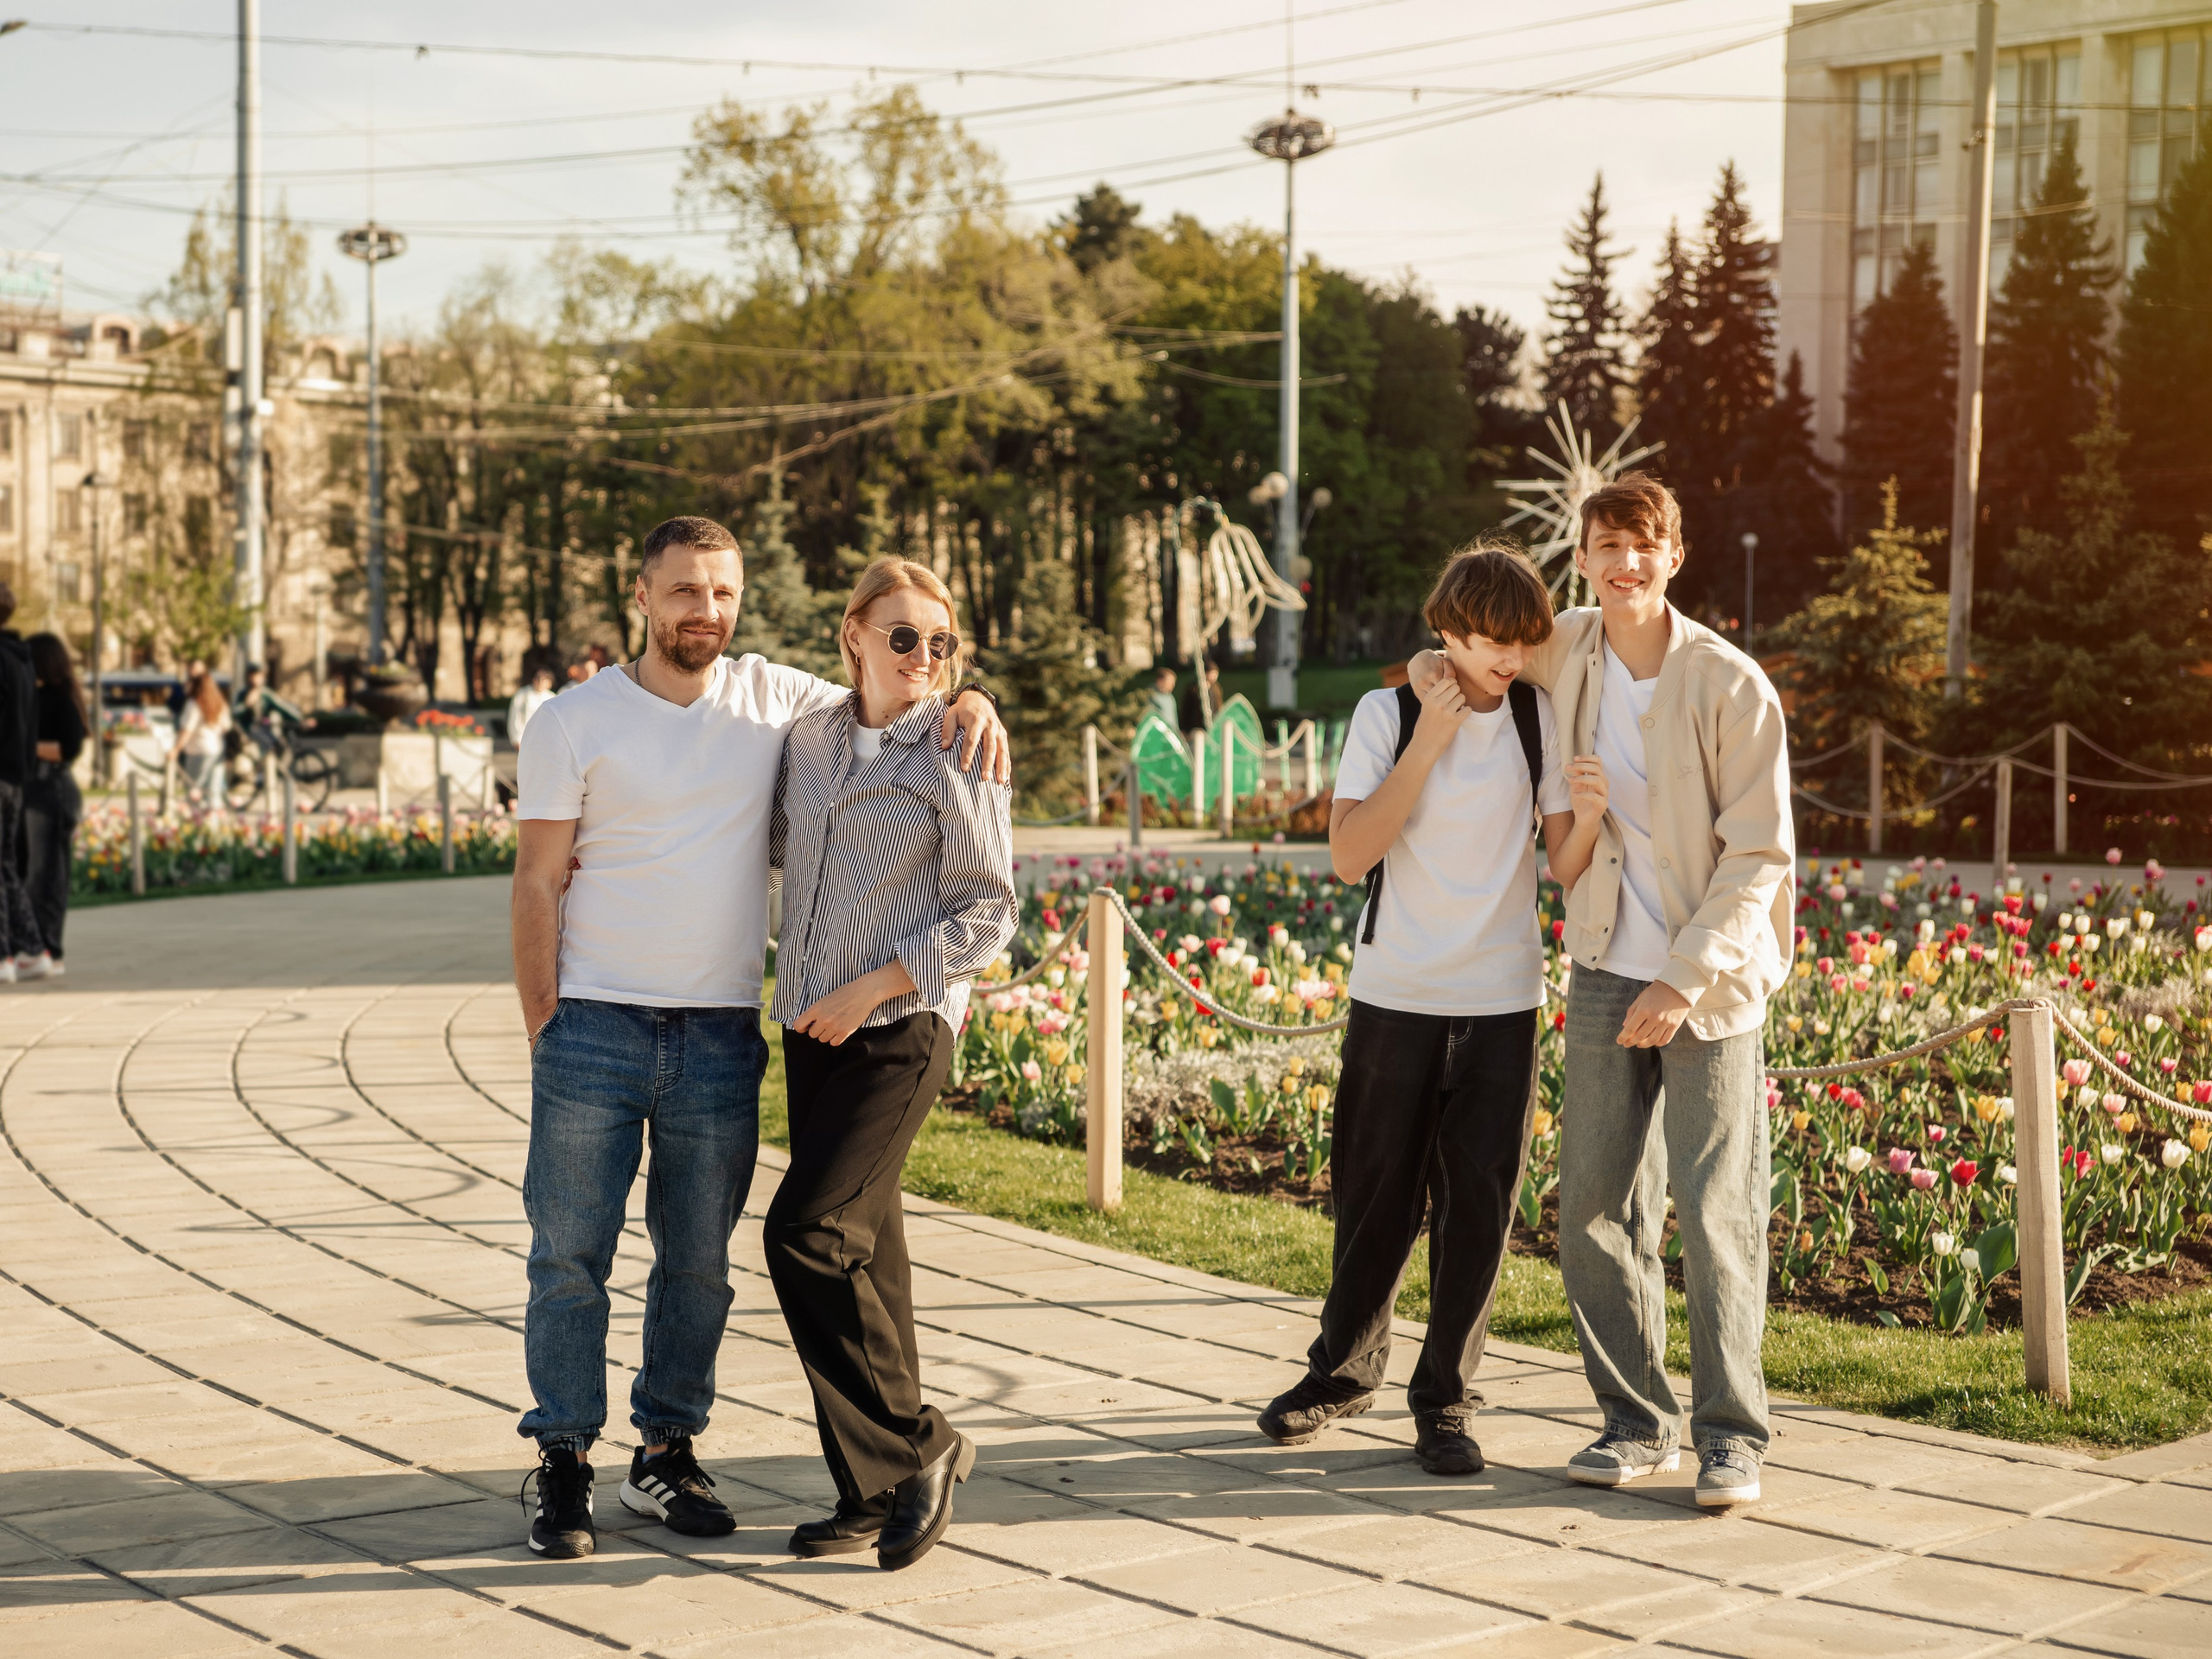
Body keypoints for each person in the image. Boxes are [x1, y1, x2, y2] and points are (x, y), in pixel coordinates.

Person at [509, 516, 1008, 1561]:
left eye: (723, 593)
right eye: (685, 591)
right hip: (606, 1026)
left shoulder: (783, 702)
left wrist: (969, 695)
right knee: (572, 1260)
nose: (707, 611)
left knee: (711, 1263)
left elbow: (913, 728)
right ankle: (564, 1463)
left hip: (737, 1031)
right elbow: (538, 877)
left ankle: (673, 1454)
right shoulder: (584, 719)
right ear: (641, 595)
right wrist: (545, 1024)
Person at [1408, 473, 1793, 1507]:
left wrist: (1681, 976)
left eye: (1644, 548)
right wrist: (1419, 663)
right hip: (1600, 966)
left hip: (1708, 984)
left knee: (1717, 1216)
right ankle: (1634, 1420)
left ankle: (1729, 1437)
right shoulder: (1565, 645)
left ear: (1675, 557)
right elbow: (1464, 636)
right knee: (1591, 1208)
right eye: (1606, 547)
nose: (1625, 565)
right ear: (1581, 556)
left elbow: (1759, 857)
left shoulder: (1729, 684)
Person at [1257, 543, 1570, 1476]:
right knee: (1373, 1199)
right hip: (1396, 993)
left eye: (1518, 641)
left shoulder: (1536, 716)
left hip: (1503, 997)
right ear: (1445, 630)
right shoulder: (1384, 712)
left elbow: (1559, 855)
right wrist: (1429, 741)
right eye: (1483, 639)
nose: (1503, 658)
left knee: (1477, 1209)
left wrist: (1586, 815)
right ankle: (1340, 1377)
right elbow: (1350, 854)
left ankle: (1444, 1402)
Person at [765, 558, 1016, 1571]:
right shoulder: (810, 740)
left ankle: (921, 1446)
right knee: (870, 1257)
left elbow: (989, 910)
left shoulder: (954, 747)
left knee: (808, 1234)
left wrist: (872, 989)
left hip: (900, 1028)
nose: (924, 658)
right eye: (903, 637)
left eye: (942, 644)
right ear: (853, 636)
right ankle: (867, 1491)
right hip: (808, 1031)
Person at [22, 632, 86, 978]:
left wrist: (27, 746)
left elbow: (69, 748)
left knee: (44, 873)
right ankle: (47, 948)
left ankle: (46, 949)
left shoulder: (56, 699)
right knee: (46, 873)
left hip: (49, 789)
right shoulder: (48, 695)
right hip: (46, 788)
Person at [0, 588, 40, 983]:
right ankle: (30, 947)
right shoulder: (23, 659)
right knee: (6, 864)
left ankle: (4, 957)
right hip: (15, 775)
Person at [170, 671, 232, 804]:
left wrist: (175, 749)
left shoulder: (194, 704)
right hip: (217, 750)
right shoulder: (220, 703)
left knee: (195, 792)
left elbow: (187, 730)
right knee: (213, 792)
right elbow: (226, 727)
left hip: (197, 751)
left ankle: (197, 822)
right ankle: (215, 822)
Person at [508, 667, 556, 746]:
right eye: (538, 678)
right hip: (525, 739)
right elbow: (515, 717)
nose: (541, 682)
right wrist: (517, 738)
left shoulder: (552, 697)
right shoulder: (522, 695)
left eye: (544, 679)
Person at [1147, 666, 1179, 731]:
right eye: (1170, 682)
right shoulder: (1151, 695)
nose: (1172, 685)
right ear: (1160, 681)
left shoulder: (1170, 698)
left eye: (1173, 683)